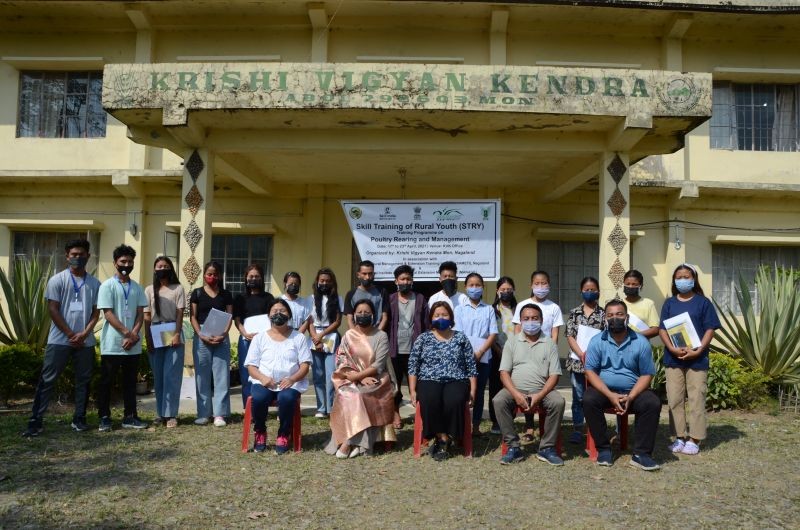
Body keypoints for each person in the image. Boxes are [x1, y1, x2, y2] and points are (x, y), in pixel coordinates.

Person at [24, 239, 101, 437]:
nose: (77, 258)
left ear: (88, 257)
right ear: (67, 257)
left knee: (83, 381)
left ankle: (79, 418)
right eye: (74, 254)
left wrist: (84, 334)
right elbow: (53, 309)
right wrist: (70, 334)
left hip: (85, 342)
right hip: (59, 340)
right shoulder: (57, 280)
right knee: (47, 379)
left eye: (81, 254)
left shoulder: (94, 283)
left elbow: (96, 312)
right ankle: (36, 421)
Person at [584, 299, 663, 471]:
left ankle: (642, 454)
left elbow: (646, 374)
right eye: (610, 315)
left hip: (633, 392)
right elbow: (590, 371)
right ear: (605, 318)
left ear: (626, 317)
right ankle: (604, 449)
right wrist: (610, 395)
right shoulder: (597, 341)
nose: (615, 319)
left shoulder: (641, 341)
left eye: (619, 314)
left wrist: (632, 396)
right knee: (589, 399)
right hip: (606, 392)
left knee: (652, 402)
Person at [659, 263, 720, 456]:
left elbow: (710, 329)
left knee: (696, 398)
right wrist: (671, 348)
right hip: (673, 358)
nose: (682, 280)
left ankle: (694, 439)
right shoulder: (669, 303)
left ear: (693, 279)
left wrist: (699, 350)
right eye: (679, 277)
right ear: (674, 280)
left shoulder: (703, 303)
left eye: (686, 277)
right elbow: (662, 329)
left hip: (697, 359)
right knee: (675, 399)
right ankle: (679, 437)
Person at [493, 303, 565, 465]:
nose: (530, 322)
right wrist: (516, 395)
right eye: (526, 318)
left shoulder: (549, 344)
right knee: (498, 401)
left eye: (534, 318)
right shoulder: (512, 342)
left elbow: (554, 375)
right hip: (515, 389)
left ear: (541, 320)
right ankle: (513, 447)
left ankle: (547, 447)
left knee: (558, 402)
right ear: (520, 321)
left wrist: (540, 395)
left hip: (542, 389)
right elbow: (504, 373)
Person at [326, 299, 397, 458]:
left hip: (378, 379)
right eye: (359, 313)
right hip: (350, 377)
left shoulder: (381, 336)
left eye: (366, 313)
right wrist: (358, 378)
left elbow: (379, 364)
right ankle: (356, 443)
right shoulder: (348, 336)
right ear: (354, 315)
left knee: (362, 395)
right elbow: (341, 361)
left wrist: (361, 376)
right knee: (348, 394)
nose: (363, 315)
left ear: (373, 315)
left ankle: (349, 442)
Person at [408, 301, 477, 461]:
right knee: (430, 399)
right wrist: (412, 390)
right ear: (431, 318)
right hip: (429, 379)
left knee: (454, 399)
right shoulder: (423, 338)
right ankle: (442, 437)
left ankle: (450, 436)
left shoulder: (460, 338)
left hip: (456, 379)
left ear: (451, 318)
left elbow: (471, 366)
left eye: (444, 315)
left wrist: (472, 391)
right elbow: (413, 365)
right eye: (437, 315)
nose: (441, 318)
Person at [244, 299, 312, 454]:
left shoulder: (298, 337)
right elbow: (251, 366)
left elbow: (305, 365)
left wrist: (292, 379)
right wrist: (262, 378)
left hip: (290, 383)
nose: (278, 314)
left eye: (282, 310)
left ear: (289, 315)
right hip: (264, 382)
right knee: (259, 398)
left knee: (287, 398)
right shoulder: (259, 338)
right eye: (274, 311)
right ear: (268, 315)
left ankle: (283, 434)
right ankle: (260, 431)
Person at [96, 244, 149, 432]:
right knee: (107, 382)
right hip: (112, 344)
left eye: (130, 261)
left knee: (129, 382)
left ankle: (130, 416)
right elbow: (108, 314)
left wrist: (133, 336)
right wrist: (127, 334)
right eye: (123, 261)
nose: (126, 264)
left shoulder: (137, 287)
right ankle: (104, 417)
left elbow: (140, 314)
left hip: (132, 346)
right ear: (115, 263)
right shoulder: (107, 286)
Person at [512, 270, 563, 442]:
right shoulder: (522, 305)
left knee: (546, 390)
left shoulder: (554, 307)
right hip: (525, 354)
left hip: (545, 354)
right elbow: (517, 331)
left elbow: (555, 333)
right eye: (537, 283)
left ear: (549, 285)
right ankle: (529, 426)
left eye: (544, 283)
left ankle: (546, 428)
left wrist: (551, 354)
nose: (540, 287)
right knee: (526, 387)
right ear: (531, 285)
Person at [190, 261, 233, 427]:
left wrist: (224, 334)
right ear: (204, 275)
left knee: (222, 375)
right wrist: (200, 334)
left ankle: (220, 414)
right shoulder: (197, 293)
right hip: (202, 336)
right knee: (202, 375)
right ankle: (203, 413)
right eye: (209, 274)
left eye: (215, 274)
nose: (212, 277)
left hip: (221, 336)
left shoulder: (226, 294)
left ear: (220, 275)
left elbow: (229, 315)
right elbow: (193, 316)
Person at [144, 256, 185, 428]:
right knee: (159, 375)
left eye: (166, 266)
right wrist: (148, 339)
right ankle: (160, 413)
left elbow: (179, 313)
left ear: (171, 269)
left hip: (171, 330)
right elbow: (146, 315)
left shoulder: (178, 288)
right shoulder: (148, 290)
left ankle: (171, 415)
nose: (162, 268)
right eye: (159, 266)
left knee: (172, 376)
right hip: (155, 331)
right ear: (154, 269)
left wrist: (176, 334)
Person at [454, 273, 497, 436]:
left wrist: (480, 352)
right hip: (463, 357)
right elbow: (457, 333)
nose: (474, 288)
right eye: (471, 285)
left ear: (483, 287)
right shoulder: (459, 309)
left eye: (478, 285)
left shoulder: (489, 309)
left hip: (484, 357)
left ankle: (476, 426)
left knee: (479, 392)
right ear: (465, 288)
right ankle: (461, 424)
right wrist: (468, 353)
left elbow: (493, 333)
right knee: (462, 390)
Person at [387, 264, 428, 429]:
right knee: (394, 384)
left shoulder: (420, 299)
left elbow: (426, 324)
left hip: (415, 351)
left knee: (418, 385)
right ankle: (395, 412)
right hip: (394, 350)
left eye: (408, 279)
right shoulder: (390, 299)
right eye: (402, 279)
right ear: (396, 281)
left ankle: (421, 414)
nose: (406, 281)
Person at [564, 277, 604, 445]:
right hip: (577, 361)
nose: (590, 292)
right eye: (586, 289)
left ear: (599, 291)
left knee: (595, 397)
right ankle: (577, 429)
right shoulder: (574, 312)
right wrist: (581, 353)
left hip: (597, 364)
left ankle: (594, 428)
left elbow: (606, 337)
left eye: (593, 289)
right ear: (581, 291)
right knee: (578, 396)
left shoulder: (604, 313)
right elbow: (570, 335)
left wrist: (592, 355)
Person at [233, 264, 274, 408]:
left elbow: (272, 318)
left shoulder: (268, 297)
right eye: (251, 276)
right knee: (246, 375)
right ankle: (248, 409)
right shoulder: (240, 297)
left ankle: (261, 406)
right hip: (246, 340)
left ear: (262, 279)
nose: (253, 279)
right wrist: (244, 333)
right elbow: (237, 319)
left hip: (264, 341)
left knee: (263, 373)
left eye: (257, 276)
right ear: (246, 278)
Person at [307, 268, 343, 418]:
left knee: (330, 375)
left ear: (332, 283)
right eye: (322, 280)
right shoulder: (310, 299)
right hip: (315, 337)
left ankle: (330, 408)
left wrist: (321, 335)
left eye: (327, 281)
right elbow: (309, 321)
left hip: (331, 337)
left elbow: (337, 321)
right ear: (317, 281)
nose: (324, 283)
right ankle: (321, 408)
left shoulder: (338, 299)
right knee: (318, 375)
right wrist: (315, 337)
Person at [488, 276, 517, 435]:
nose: (506, 292)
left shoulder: (519, 309)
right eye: (503, 290)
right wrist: (500, 352)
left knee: (513, 388)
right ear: (497, 291)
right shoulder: (492, 310)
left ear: (513, 291)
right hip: (496, 354)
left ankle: (510, 418)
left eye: (509, 289)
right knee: (495, 388)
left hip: (516, 355)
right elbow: (490, 334)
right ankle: (495, 421)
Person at [343, 260, 390, 330]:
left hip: (376, 333)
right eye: (364, 274)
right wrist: (356, 336)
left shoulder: (382, 292)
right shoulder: (351, 294)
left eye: (370, 274)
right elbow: (349, 320)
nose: (367, 277)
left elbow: (385, 317)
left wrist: (377, 335)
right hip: (357, 334)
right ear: (358, 275)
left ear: (374, 274)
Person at [623, 270, 660, 339]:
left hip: (641, 346)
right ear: (623, 284)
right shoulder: (619, 304)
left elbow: (655, 329)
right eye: (627, 284)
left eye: (634, 284)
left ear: (641, 286)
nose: (630, 286)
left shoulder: (648, 303)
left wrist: (634, 336)